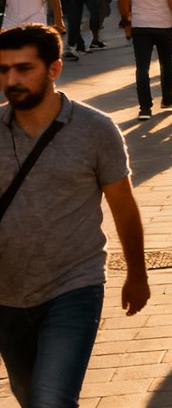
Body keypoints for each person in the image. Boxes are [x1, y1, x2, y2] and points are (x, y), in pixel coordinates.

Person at [0, 24, 148, 406]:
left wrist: (136, 273)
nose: (11, 80)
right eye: (3, 70)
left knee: (50, 400)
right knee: (30, 394)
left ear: (54, 69)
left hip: (73, 285)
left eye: (23, 68)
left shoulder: (96, 130)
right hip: (6, 293)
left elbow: (124, 209)